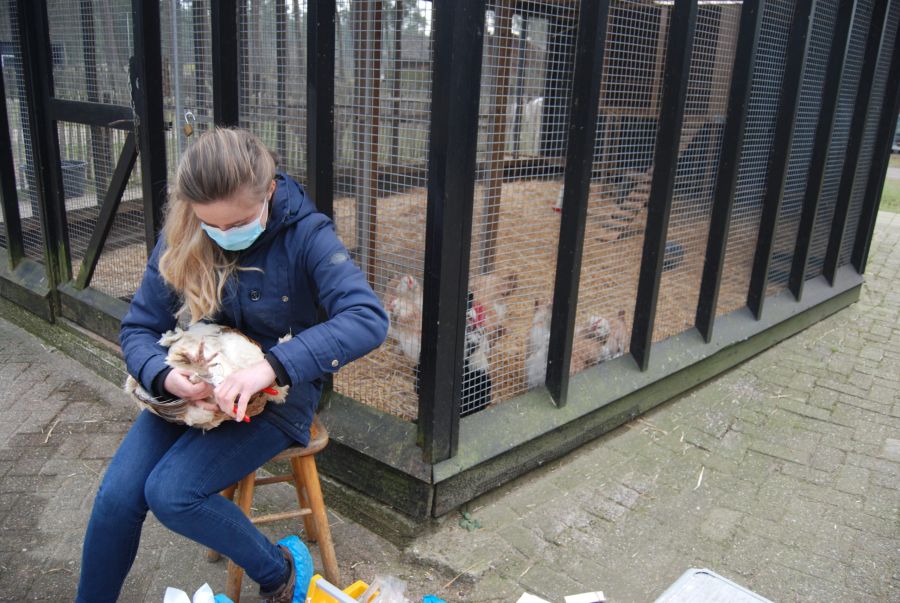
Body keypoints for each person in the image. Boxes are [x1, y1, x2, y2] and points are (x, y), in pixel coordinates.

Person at [76, 128, 389, 603]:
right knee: (118, 497)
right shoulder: (183, 231)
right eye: (211, 225)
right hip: (197, 385)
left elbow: (367, 318)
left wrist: (271, 367)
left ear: (269, 191)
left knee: (172, 494)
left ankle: (280, 570)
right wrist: (164, 377)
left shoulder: (308, 233)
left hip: (277, 393)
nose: (225, 236)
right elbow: (138, 329)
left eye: (238, 222)